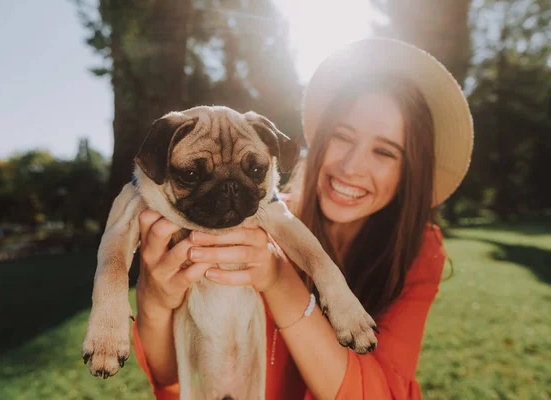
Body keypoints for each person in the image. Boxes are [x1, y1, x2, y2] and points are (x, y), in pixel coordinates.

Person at [131, 37, 474, 399]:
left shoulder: (420, 252)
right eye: (342, 137)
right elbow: (173, 380)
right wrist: (154, 302)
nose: (351, 167)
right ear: (321, 139)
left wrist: (279, 281)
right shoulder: (256, 219)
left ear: (410, 171)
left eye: (384, 152)